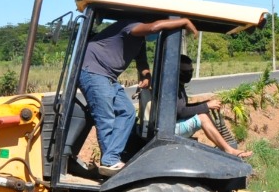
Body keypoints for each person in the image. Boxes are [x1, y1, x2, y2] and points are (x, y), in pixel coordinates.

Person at [78, 16, 197, 176]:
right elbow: (154, 27)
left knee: (127, 112)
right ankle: (110, 161)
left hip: (109, 77)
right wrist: (183, 22)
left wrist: (146, 76)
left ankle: (110, 158)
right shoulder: (130, 26)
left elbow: (142, 64)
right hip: (93, 72)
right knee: (105, 117)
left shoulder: (139, 42)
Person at [175, 55, 251, 158]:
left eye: (191, 71)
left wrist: (204, 105)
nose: (189, 74)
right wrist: (206, 105)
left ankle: (224, 145)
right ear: (178, 71)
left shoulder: (179, 84)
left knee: (203, 112)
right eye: (186, 72)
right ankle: (228, 150)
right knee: (202, 117)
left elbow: (182, 107)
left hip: (174, 124)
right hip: (169, 130)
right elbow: (180, 112)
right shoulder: (172, 88)